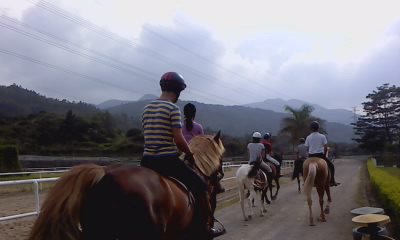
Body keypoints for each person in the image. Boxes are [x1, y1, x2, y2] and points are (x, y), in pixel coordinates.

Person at [141, 72, 221, 237]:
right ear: (178, 91)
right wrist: (190, 153)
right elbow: (178, 140)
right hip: (167, 160)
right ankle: (204, 227)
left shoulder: (147, 108)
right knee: (201, 186)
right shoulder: (172, 108)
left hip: (146, 161)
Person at [305, 121, 340, 187]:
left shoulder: (308, 137)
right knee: (331, 166)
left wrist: (310, 153)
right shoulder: (322, 136)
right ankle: (332, 181)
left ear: (311, 128)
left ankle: (306, 181)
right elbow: (325, 147)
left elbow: (306, 148)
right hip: (320, 155)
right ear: (318, 128)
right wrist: (324, 155)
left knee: (304, 167)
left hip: (311, 156)